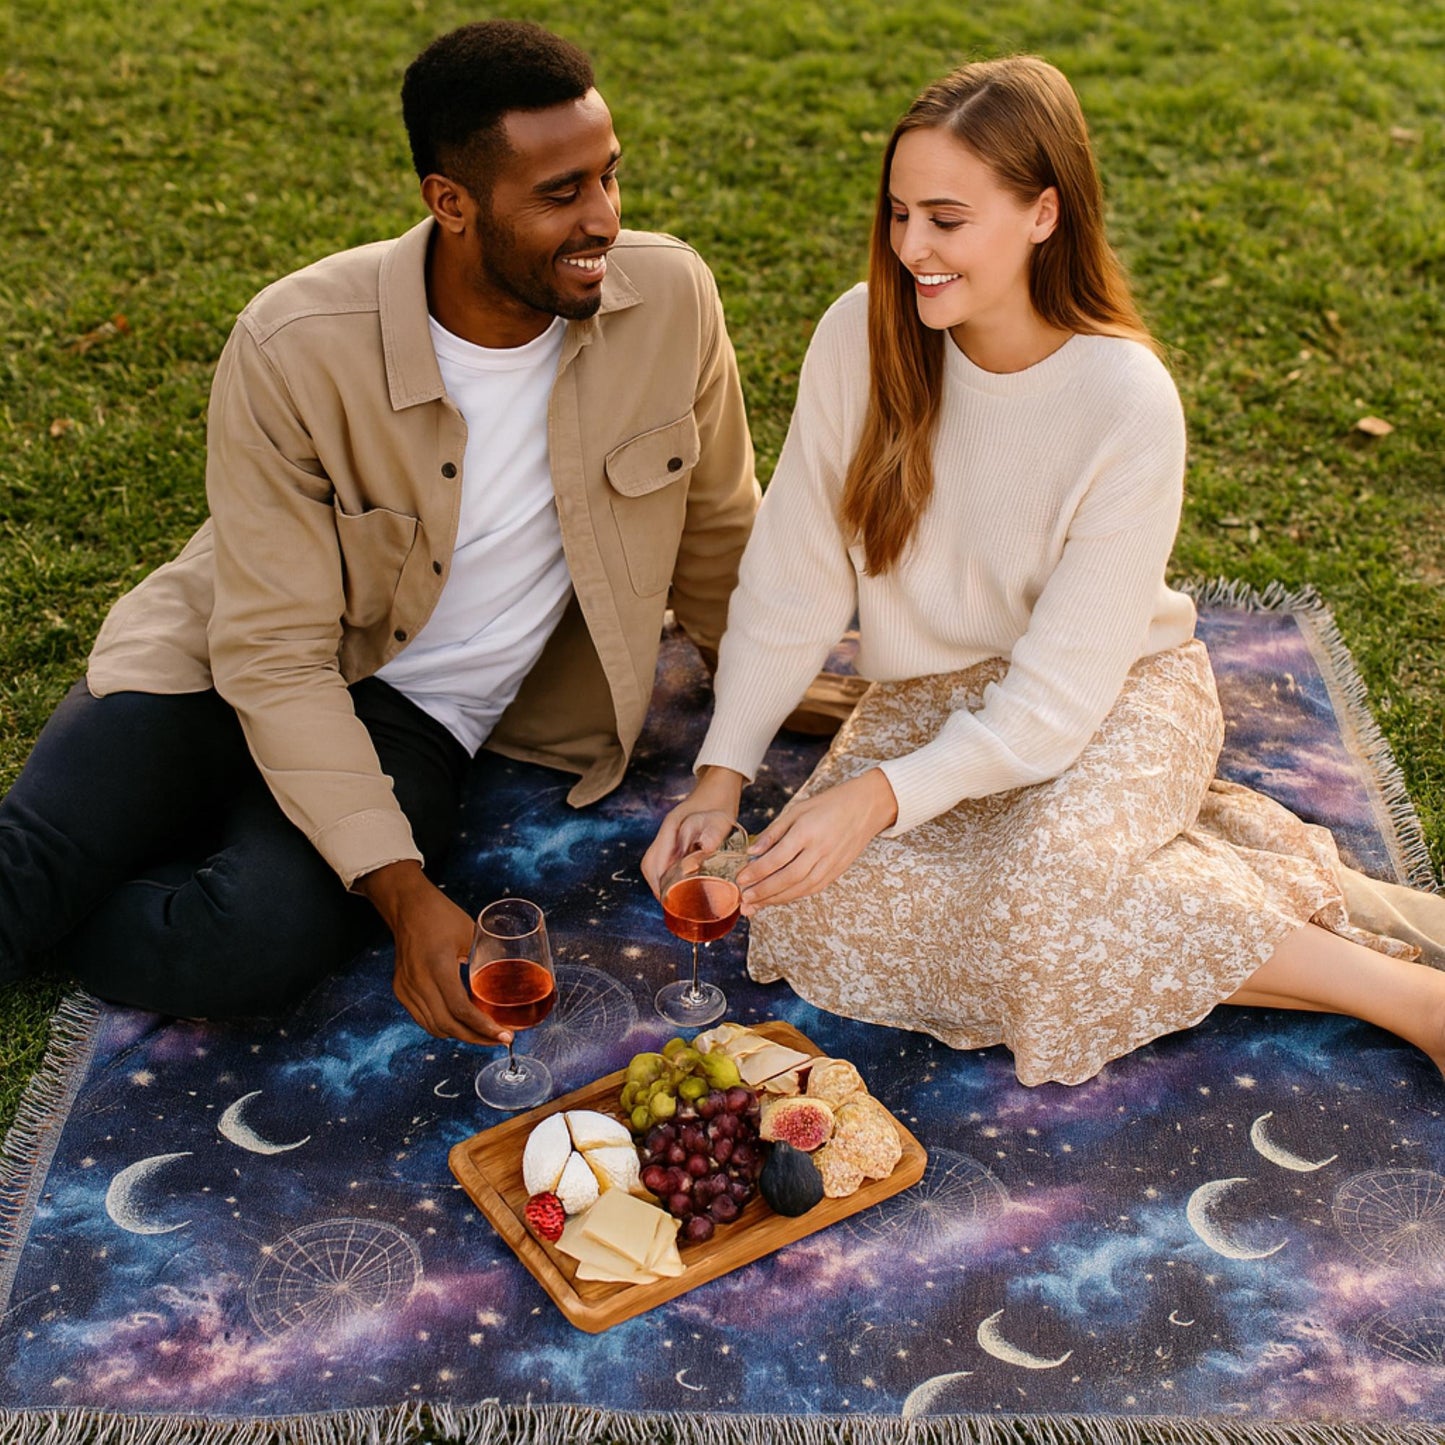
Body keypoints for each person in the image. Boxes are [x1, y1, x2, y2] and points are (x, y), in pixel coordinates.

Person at [643, 55, 1445, 1088]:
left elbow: (1054, 701)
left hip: (1111, 694)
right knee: (807, 910)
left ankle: (1409, 998)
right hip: (929, 702)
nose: (910, 249)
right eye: (897, 214)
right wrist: (722, 773)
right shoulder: (860, 334)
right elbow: (793, 578)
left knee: (1048, 896)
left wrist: (877, 799)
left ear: (1041, 213)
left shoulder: (1125, 399)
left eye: (944, 218)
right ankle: (1212, 866)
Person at [0, 20, 758, 1045]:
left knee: (252, 943)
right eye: (560, 193)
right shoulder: (293, 342)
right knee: (28, 865)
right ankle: (95, 859)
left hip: (414, 718)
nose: (604, 220)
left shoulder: (669, 300)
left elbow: (717, 534)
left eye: (608, 177)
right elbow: (270, 653)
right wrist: (403, 897)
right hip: (222, 662)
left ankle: (116, 881)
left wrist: (777, 706)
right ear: (449, 202)